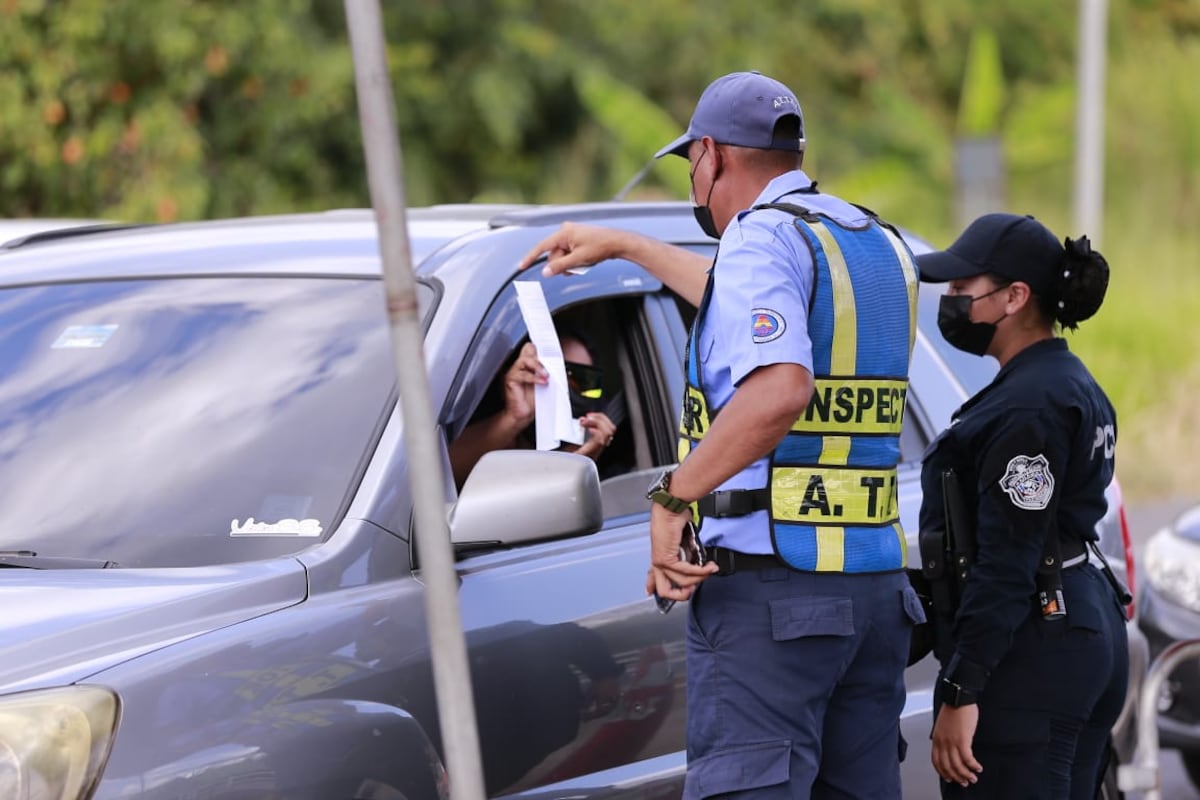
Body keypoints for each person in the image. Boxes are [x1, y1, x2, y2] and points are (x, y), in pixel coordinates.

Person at [519, 71, 922, 799]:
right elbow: (743, 300)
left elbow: (781, 387)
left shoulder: (761, 239)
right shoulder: (864, 239)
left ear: (711, 153)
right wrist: (628, 247)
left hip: (775, 598)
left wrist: (674, 497)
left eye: (691, 166)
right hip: (873, 590)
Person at [914, 212, 1129, 799]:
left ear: (1014, 296)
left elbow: (1007, 560)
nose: (951, 301)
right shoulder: (1066, 381)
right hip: (1079, 621)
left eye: (962, 289)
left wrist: (962, 689)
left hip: (1035, 642)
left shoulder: (1028, 408)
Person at [449, 331, 618, 486]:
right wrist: (513, 418)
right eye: (551, 374)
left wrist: (578, 468)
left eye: (583, 381)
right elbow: (436, 473)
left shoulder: (603, 469)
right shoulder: (483, 437)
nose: (565, 390)